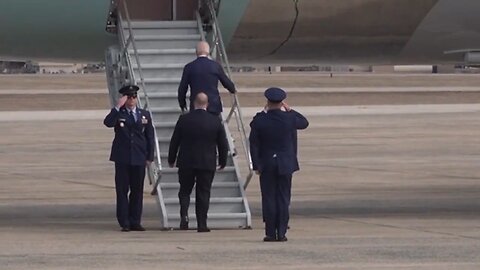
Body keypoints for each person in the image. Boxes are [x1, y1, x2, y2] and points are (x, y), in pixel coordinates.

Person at [249, 87, 309, 242]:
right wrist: (290, 110)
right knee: (283, 198)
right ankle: (281, 232)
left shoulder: (259, 120)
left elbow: (254, 144)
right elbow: (304, 123)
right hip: (285, 163)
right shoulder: (289, 119)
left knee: (269, 198)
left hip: (267, 163)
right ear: (282, 102)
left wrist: (256, 165)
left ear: (267, 102)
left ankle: (270, 232)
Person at [168, 92, 229, 232]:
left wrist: (172, 159)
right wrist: (223, 161)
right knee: (204, 192)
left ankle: (184, 216)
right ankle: (202, 223)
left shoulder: (184, 119)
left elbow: (175, 141)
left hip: (186, 161)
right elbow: (222, 144)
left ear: (194, 104)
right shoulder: (215, 120)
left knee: (184, 190)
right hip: (207, 162)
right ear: (207, 104)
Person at [103, 85, 155, 232]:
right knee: (122, 190)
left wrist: (149, 156)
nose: (131, 100)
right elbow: (107, 123)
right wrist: (117, 107)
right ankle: (124, 222)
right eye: (128, 97)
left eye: (133, 97)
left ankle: (135, 221)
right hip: (123, 157)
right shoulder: (120, 114)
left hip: (139, 157)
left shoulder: (144, 115)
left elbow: (149, 137)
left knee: (137, 191)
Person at [177, 41, 236, 115]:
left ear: (196, 52)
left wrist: (182, 104)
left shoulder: (189, 67)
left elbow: (182, 88)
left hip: (196, 105)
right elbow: (226, 82)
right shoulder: (215, 66)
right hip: (214, 106)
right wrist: (233, 89)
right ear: (208, 52)